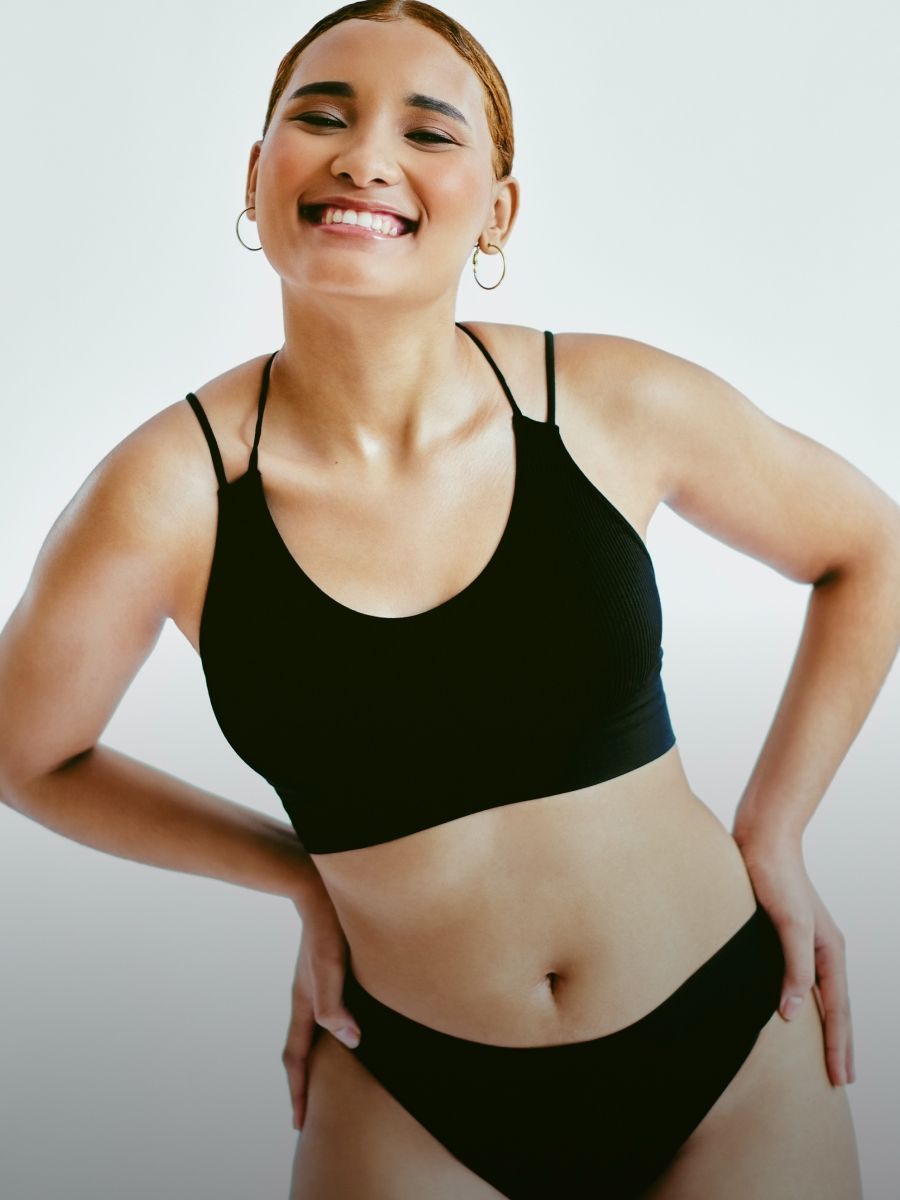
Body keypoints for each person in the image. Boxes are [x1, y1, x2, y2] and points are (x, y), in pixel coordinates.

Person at [1, 1, 896, 1196]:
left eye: (429, 133)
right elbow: (27, 752)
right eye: (320, 116)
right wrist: (293, 871)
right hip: (412, 1089)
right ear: (257, 172)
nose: (366, 155)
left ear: (497, 209)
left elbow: (869, 550)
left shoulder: (608, 402)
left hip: (727, 1045)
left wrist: (775, 829)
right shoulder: (168, 495)